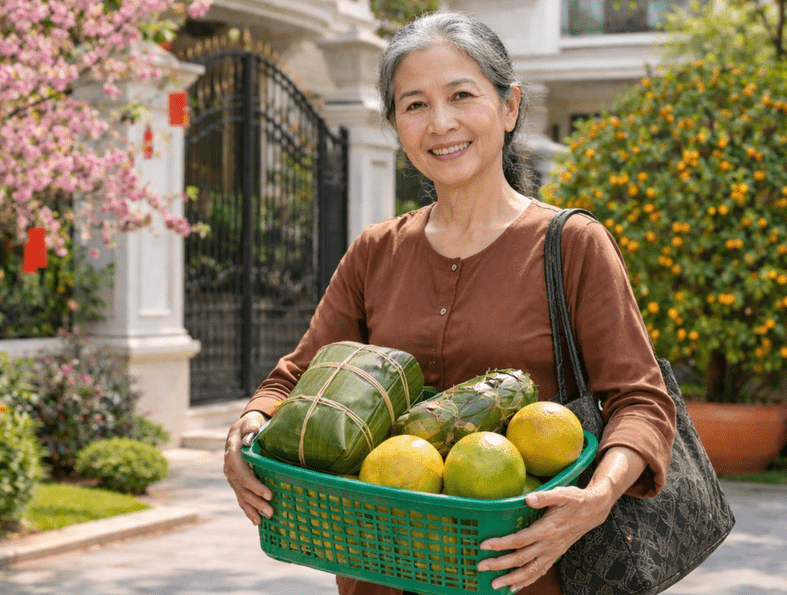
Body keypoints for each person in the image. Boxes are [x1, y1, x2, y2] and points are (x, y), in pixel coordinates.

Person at [224, 10, 676, 595]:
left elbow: (640, 401)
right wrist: (247, 430)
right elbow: (295, 378)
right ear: (395, 124)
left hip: (523, 573)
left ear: (509, 107)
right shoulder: (376, 251)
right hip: (378, 570)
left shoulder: (572, 245)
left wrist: (598, 497)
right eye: (415, 105)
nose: (441, 123)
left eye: (461, 95)